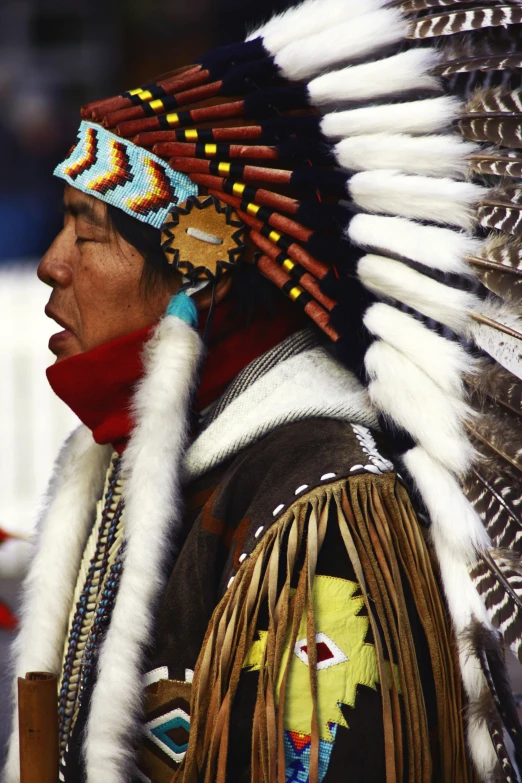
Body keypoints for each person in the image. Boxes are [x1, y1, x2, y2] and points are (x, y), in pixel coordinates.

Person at [4, 1, 522, 781]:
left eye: (88, 231)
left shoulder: (322, 516)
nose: (51, 263)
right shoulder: (155, 469)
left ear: (198, 275)